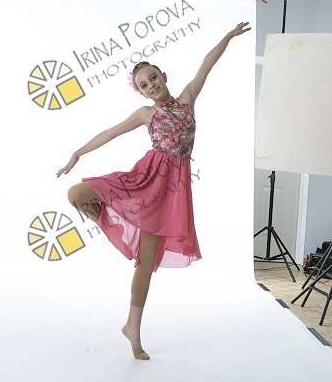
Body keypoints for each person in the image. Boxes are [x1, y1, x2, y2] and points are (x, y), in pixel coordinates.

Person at [57, 22, 251, 360]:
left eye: (153, 78)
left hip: (171, 192)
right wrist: (78, 152)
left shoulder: (187, 100)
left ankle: (132, 328)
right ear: (142, 93)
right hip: (145, 179)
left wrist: (228, 37)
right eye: (144, 85)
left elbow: (207, 63)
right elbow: (111, 132)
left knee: (145, 264)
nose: (151, 85)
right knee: (76, 194)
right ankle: (109, 223)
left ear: (163, 75)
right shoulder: (146, 114)